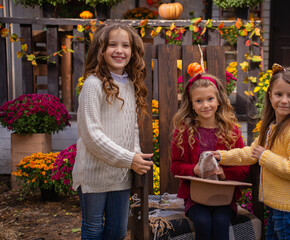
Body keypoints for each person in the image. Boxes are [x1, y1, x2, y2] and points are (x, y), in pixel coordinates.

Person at [213, 63, 290, 240]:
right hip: (276, 206)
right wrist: (222, 156)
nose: (284, 100)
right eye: (279, 94)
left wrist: (265, 156)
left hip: (288, 210)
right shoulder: (272, 127)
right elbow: (250, 153)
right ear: (270, 96)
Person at [72, 23, 153, 240]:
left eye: (125, 45)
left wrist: (134, 154)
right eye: (112, 45)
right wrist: (129, 158)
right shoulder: (93, 85)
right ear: (101, 50)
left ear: (133, 51)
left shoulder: (130, 84)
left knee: (117, 232)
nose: (120, 50)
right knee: (94, 229)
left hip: (120, 173)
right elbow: (91, 135)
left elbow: (131, 128)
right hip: (94, 172)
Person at [170, 73, 249, 240]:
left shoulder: (232, 131)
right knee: (203, 221)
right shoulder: (183, 132)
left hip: (224, 198)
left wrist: (224, 173)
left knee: (221, 221)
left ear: (218, 100)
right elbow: (175, 166)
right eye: (198, 101)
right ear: (191, 104)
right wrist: (194, 170)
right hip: (195, 197)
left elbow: (244, 165)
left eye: (210, 99)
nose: (205, 105)